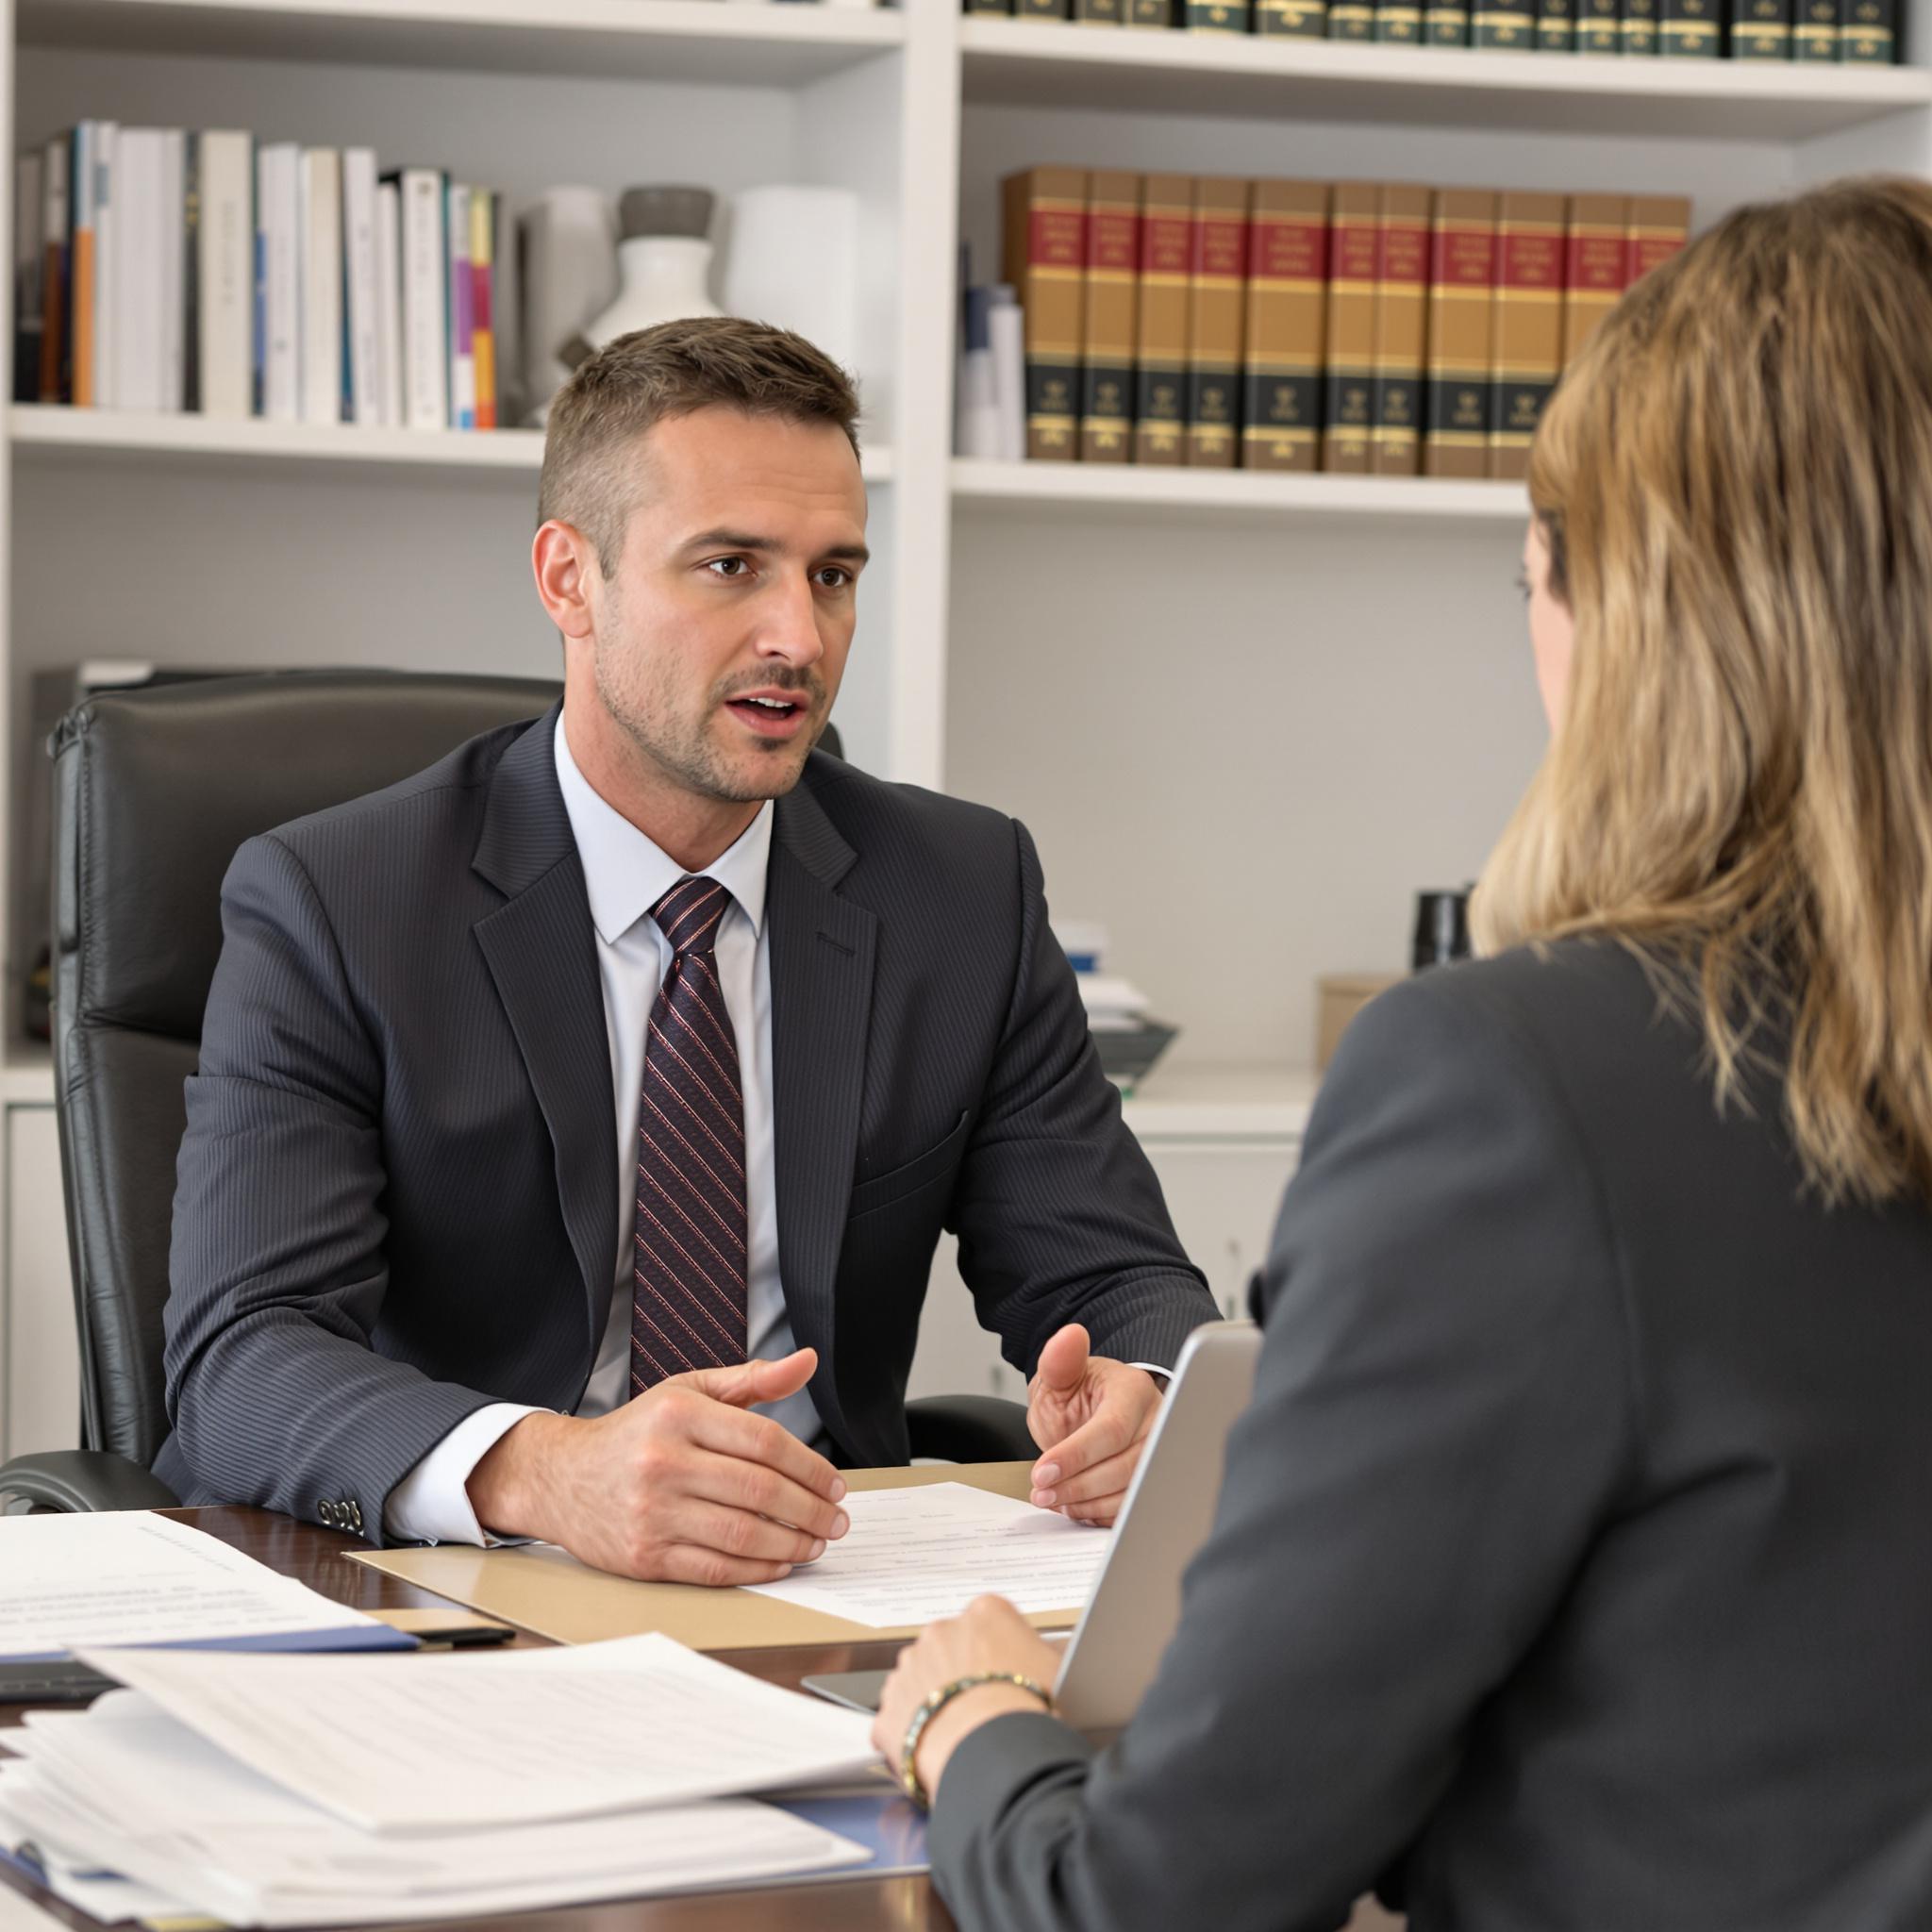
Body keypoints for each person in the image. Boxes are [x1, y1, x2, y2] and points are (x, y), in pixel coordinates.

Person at [874, 175, 1932, 1929]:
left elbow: (1158, 1902)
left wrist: (972, 1723)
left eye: (1533, 573)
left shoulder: (1520, 1091)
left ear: (1632, 623)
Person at [158, 318, 1217, 1582]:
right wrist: (552, 1473)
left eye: (832, 575)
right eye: (730, 566)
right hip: (477, 1579)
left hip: (824, 1583)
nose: (800, 638)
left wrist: (1140, 1387)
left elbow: (1118, 1270)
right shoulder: (339, 902)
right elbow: (242, 1358)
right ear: (569, 579)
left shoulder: (959, 890)